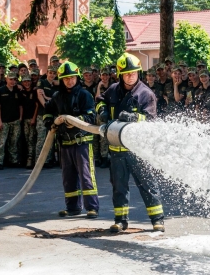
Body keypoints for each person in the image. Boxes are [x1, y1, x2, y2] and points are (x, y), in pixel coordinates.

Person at [97, 53, 165, 232]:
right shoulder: (113, 89)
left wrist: (134, 117)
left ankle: (158, 220)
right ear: (120, 74)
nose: (130, 76)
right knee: (119, 187)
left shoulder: (145, 94)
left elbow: (151, 121)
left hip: (138, 150)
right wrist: (102, 110)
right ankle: (120, 221)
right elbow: (100, 100)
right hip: (117, 149)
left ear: (138, 73)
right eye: (126, 73)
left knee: (147, 185)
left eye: (133, 72)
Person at [42, 62, 100, 217]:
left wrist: (72, 121)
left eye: (72, 78)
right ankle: (72, 208)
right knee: (68, 178)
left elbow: (90, 116)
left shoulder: (84, 95)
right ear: (62, 80)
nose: (69, 81)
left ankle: (92, 207)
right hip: (65, 143)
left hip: (82, 142)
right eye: (66, 79)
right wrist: (49, 122)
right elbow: (47, 109)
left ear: (77, 78)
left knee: (86, 177)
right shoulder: (57, 96)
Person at [0, 72, 23, 170]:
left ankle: (13, 161)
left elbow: (20, 105)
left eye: (14, 79)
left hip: (15, 120)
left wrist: (20, 118)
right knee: (1, 142)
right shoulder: (0, 90)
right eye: (10, 79)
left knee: (14, 141)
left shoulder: (17, 91)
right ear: (6, 79)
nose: (12, 81)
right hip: (4, 120)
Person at [36, 66, 59, 168]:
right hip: (42, 114)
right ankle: (39, 162)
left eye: (54, 73)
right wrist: (46, 105)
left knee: (50, 138)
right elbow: (39, 95)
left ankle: (48, 160)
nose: (52, 75)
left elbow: (56, 100)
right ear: (47, 73)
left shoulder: (56, 86)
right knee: (41, 138)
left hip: (53, 115)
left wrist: (47, 98)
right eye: (50, 73)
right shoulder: (42, 82)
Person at [20, 75, 39, 169]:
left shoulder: (34, 92)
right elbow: (21, 106)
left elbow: (37, 106)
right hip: (24, 119)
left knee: (31, 139)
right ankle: (27, 158)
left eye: (28, 81)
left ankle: (31, 160)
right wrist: (21, 118)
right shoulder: (21, 92)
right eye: (24, 82)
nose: (26, 83)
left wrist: (34, 118)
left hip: (32, 119)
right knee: (27, 139)